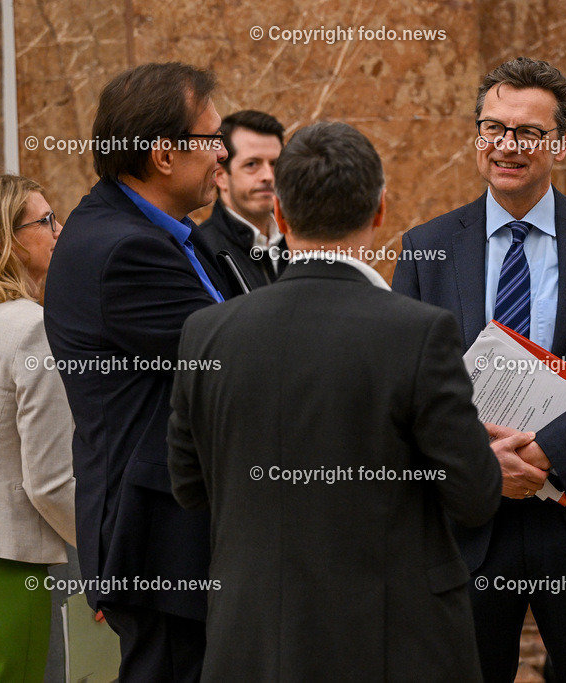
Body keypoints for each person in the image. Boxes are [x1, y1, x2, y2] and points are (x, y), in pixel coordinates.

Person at [167, 121, 504, 680]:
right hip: (393, 644)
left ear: (280, 215)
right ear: (380, 211)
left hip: (252, 642)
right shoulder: (418, 333)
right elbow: (474, 496)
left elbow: (189, 485)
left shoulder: (206, 333)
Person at [393, 56, 566, 682]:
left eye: (529, 133)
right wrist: (480, 460)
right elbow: (406, 385)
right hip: (469, 524)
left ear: (563, 141)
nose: (507, 146)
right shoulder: (426, 247)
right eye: (494, 128)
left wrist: (544, 452)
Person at [43, 62, 232, 681]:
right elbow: (233, 362)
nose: (221, 153)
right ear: (163, 155)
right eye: (210, 139)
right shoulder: (124, 250)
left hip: (175, 534)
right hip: (164, 540)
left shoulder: (164, 234)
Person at [0, 174, 76, 683]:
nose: (61, 230)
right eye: (45, 221)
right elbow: (48, 484)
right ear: (8, 240)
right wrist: (108, 550)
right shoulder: (29, 329)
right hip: (14, 564)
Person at [199, 109, 288, 289]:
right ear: (221, 176)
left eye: (274, 164)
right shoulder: (202, 252)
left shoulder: (301, 241)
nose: (268, 176)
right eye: (252, 164)